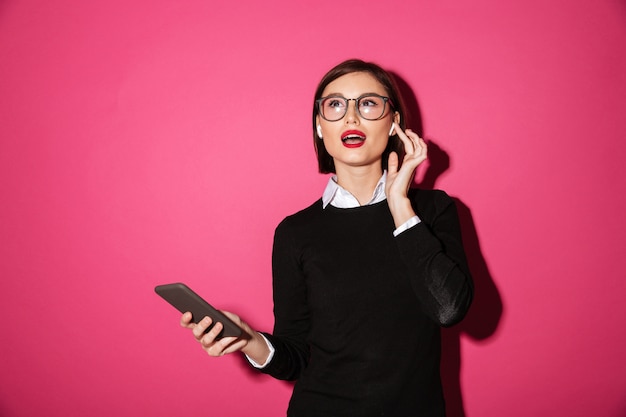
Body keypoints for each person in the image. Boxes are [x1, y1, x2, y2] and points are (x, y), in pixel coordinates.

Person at [180, 59, 474, 417]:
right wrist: (249, 341)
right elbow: (296, 357)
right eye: (335, 105)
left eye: (368, 103)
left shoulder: (433, 210)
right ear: (320, 126)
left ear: (394, 122)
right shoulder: (295, 233)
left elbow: (448, 308)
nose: (351, 118)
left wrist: (399, 203)